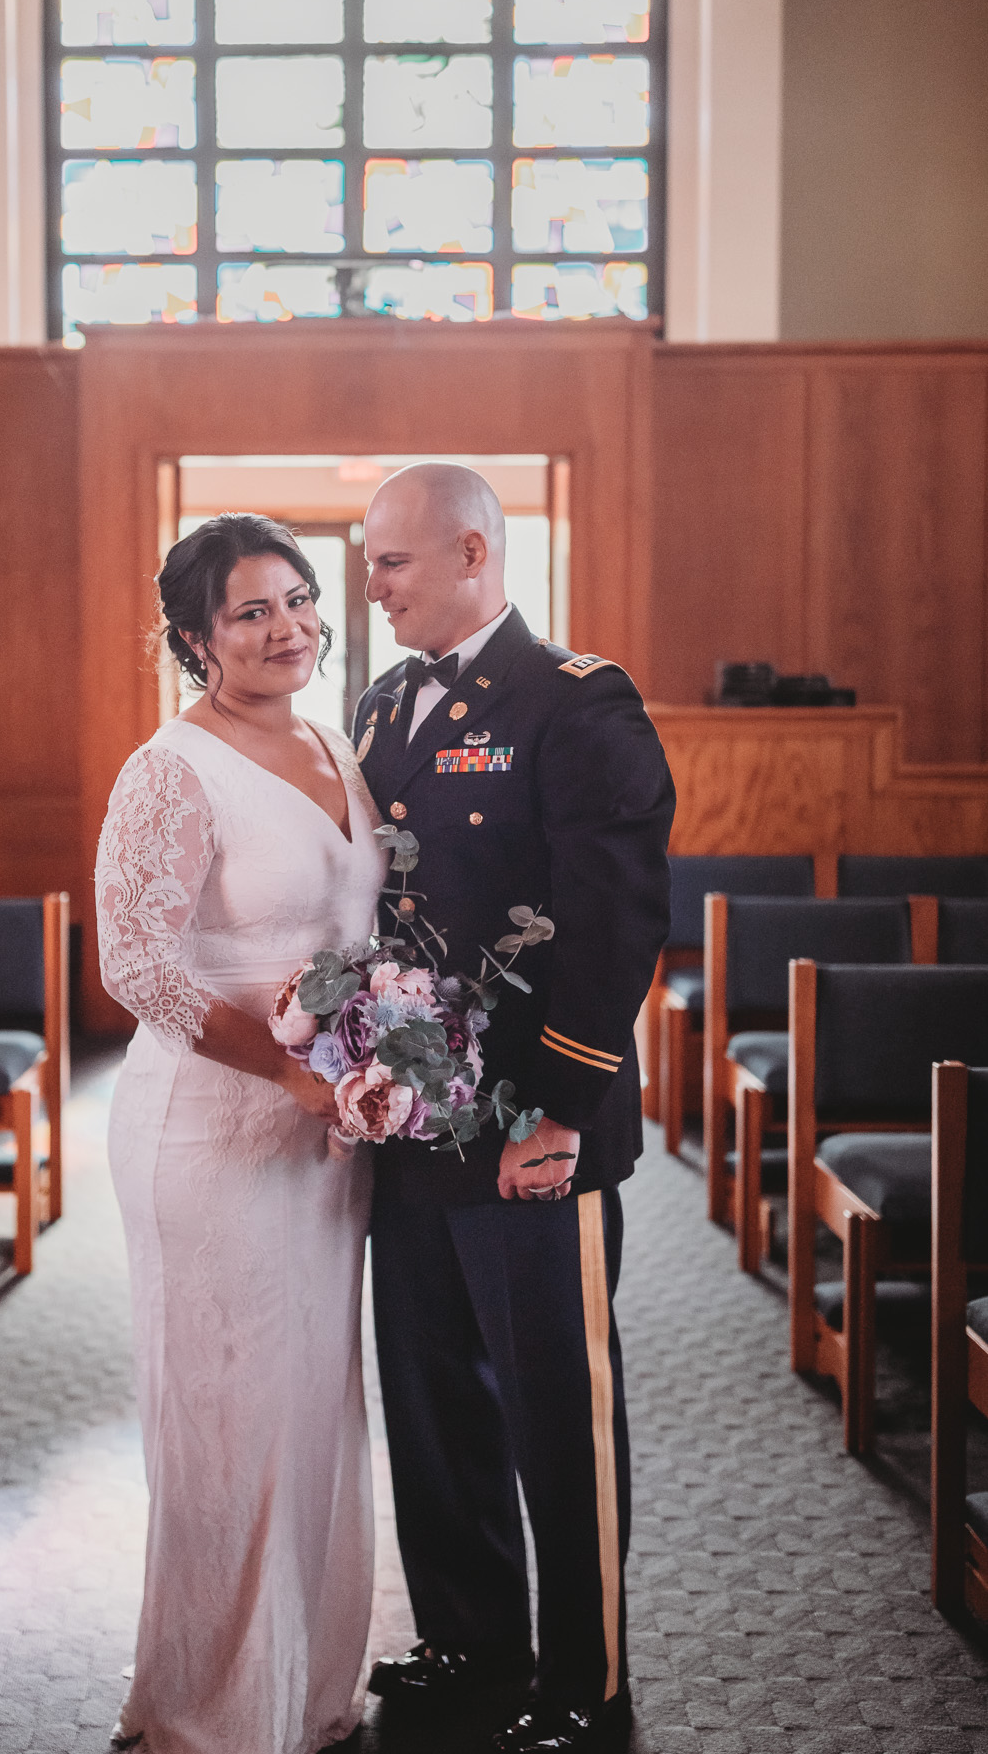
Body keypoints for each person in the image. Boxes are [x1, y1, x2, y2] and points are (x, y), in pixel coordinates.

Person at [354, 464, 674, 1754]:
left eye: (391, 563)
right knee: (430, 1391)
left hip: (536, 1116)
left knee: (556, 1399)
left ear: (475, 550)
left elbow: (615, 914)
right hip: (414, 1120)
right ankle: (471, 1639)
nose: (367, 588)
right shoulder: (380, 703)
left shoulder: (576, 701)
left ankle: (585, 1676)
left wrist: (560, 1105)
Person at [95, 513, 386, 1754]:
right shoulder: (171, 767)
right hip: (214, 1129)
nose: (288, 630)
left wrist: (374, 1061)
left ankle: (312, 1686)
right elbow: (137, 968)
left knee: (317, 1399)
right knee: (225, 1412)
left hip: (330, 1131)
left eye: (300, 600)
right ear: (194, 637)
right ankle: (210, 1712)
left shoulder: (337, 739)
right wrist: (290, 1069)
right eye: (251, 612)